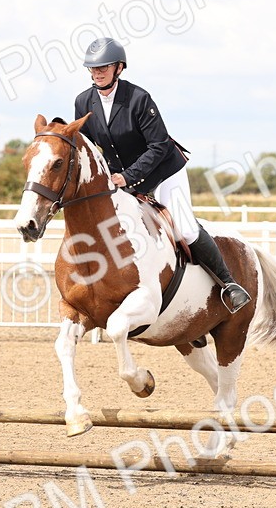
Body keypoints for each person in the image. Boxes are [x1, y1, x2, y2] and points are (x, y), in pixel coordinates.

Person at [73, 37, 251, 313]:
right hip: (122, 177)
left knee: (185, 227)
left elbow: (158, 146)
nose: (97, 73)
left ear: (119, 68)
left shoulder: (138, 99)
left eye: (104, 67)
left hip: (164, 170)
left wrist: (128, 177)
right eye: (93, 69)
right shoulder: (84, 101)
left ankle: (229, 285)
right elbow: (86, 149)